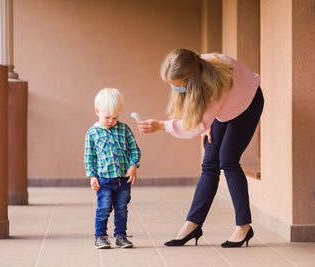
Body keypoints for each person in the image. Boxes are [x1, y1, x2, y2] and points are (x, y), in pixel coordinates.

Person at [137, 49, 264, 247]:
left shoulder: (212, 84)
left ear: (190, 79)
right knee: (209, 163)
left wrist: (163, 125)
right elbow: (202, 117)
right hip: (225, 106)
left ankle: (244, 227)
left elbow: (194, 126)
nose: (176, 89)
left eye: (178, 85)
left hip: (248, 103)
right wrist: (207, 123)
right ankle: (193, 224)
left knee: (228, 160)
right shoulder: (194, 66)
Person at [84, 88, 141, 249]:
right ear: (97, 111)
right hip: (104, 180)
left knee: (122, 209)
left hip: (123, 180)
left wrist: (133, 165)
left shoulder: (123, 129)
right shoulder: (92, 133)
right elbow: (89, 157)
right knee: (104, 208)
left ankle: (121, 236)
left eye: (115, 117)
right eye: (107, 117)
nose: (111, 121)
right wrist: (92, 176)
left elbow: (134, 149)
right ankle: (100, 236)